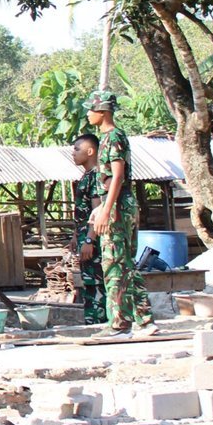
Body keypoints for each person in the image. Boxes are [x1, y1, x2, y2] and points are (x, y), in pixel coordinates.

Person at [85, 91, 156, 336]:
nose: (88, 113)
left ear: (103, 112)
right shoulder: (106, 137)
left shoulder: (113, 136)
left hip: (116, 208)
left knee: (114, 265)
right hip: (113, 204)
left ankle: (118, 323)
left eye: (91, 109)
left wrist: (106, 210)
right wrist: (99, 208)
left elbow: (117, 175)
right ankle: (145, 321)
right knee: (124, 264)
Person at [69, 132, 107, 325]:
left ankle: (101, 322)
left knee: (96, 282)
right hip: (84, 236)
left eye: (77, 149)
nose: (73, 153)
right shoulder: (85, 176)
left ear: (90, 151)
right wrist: (76, 235)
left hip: (94, 239)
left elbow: (97, 211)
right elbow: (82, 212)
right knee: (88, 282)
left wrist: (90, 239)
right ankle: (92, 322)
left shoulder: (96, 177)